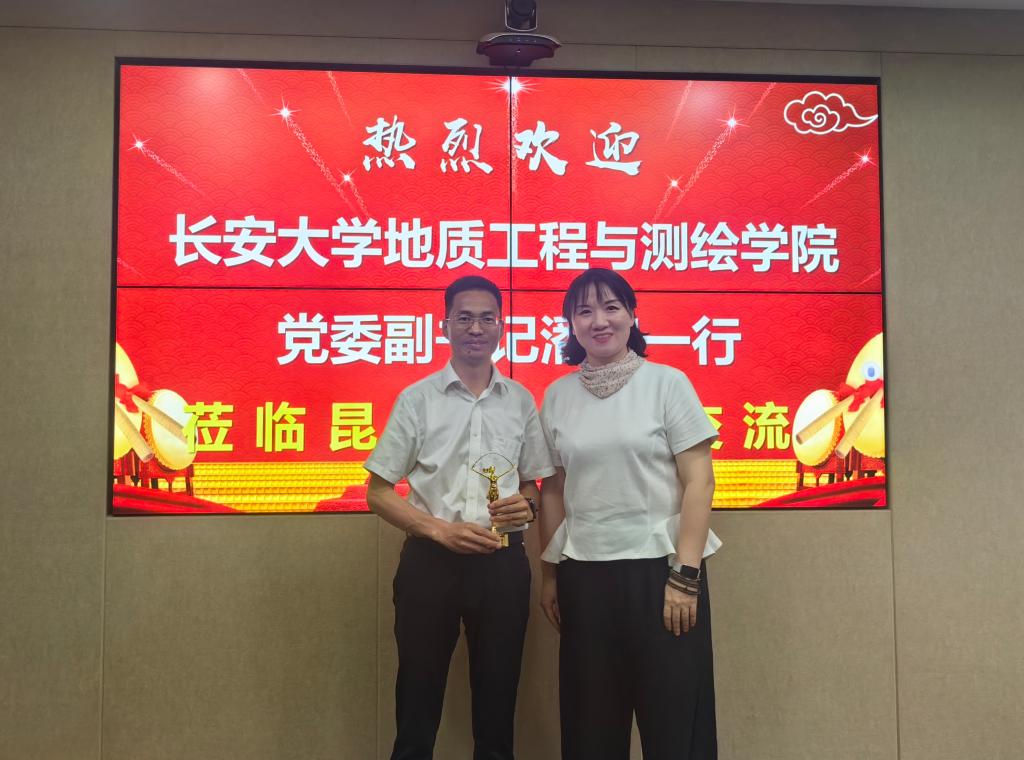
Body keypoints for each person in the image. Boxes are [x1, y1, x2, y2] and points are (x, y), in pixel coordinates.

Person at [365, 275, 555, 760]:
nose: (476, 328)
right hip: (430, 565)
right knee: (417, 698)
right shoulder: (417, 399)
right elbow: (378, 492)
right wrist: (439, 531)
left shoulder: (520, 401)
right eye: (465, 317)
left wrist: (528, 506)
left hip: (502, 563)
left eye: (487, 318)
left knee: (498, 702)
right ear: (444, 325)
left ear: (501, 327)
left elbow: (532, 485)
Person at [538, 268, 720, 760]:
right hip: (584, 576)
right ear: (571, 324)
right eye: (584, 311)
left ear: (632, 315)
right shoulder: (557, 396)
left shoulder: (667, 383)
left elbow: (699, 481)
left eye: (611, 307)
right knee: (591, 727)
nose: (599, 320)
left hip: (663, 575)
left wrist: (686, 575)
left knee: (674, 725)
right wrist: (549, 575)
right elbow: (553, 490)